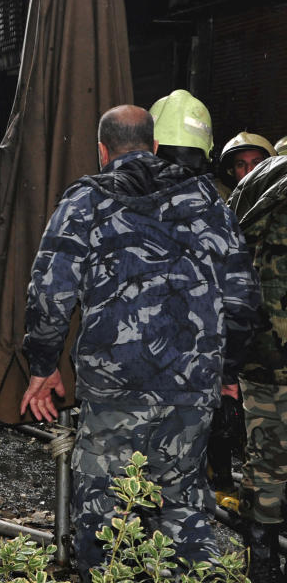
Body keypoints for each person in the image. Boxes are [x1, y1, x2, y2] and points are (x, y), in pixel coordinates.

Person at [19, 105, 260, 580]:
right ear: (153, 145)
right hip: (192, 387)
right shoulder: (209, 200)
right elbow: (243, 298)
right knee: (182, 509)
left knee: (106, 519)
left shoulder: (85, 200)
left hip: (115, 388)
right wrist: (226, 371)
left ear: (102, 150)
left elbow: (50, 291)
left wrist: (43, 365)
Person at [149, 90, 242, 508]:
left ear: (152, 144)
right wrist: (229, 377)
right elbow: (240, 301)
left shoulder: (115, 202)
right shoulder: (220, 212)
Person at [228, 156, 287, 582]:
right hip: (267, 347)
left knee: (265, 457)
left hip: (260, 351)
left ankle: (262, 560)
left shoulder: (257, 183)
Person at [217, 131, 275, 198]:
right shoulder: (223, 204)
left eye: (256, 163)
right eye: (240, 165)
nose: (249, 171)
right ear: (232, 171)